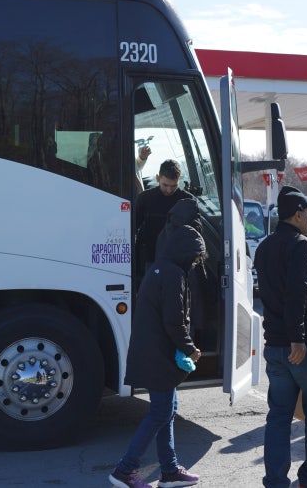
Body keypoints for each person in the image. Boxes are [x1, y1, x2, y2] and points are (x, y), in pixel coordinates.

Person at [109, 204, 206, 488]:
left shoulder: (160, 268)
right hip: (158, 357)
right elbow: (174, 322)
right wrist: (190, 349)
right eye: (196, 257)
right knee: (162, 412)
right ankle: (125, 470)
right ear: (186, 253)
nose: (197, 263)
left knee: (167, 409)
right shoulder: (174, 274)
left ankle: (170, 470)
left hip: (151, 353)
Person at [254, 185, 307, 488]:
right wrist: (298, 337)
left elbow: (272, 291)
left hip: (275, 344)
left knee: (278, 416)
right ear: (298, 214)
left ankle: (276, 481)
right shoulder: (301, 244)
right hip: (305, 344)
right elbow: (297, 291)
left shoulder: (264, 246)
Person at [133, 159, 193, 287]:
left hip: (177, 259)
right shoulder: (145, 198)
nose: (169, 190)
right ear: (157, 178)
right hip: (150, 257)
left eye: (173, 186)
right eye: (165, 185)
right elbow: (132, 227)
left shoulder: (187, 200)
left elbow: (195, 231)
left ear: (179, 180)